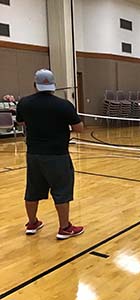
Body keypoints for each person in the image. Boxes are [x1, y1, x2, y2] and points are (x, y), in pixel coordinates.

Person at [16, 69, 85, 240]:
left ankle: (32, 223)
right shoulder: (63, 105)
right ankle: (64, 228)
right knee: (61, 190)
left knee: (32, 188)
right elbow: (79, 128)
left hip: (33, 154)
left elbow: (20, 121)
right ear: (53, 86)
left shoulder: (24, 103)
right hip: (57, 155)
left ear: (35, 85)